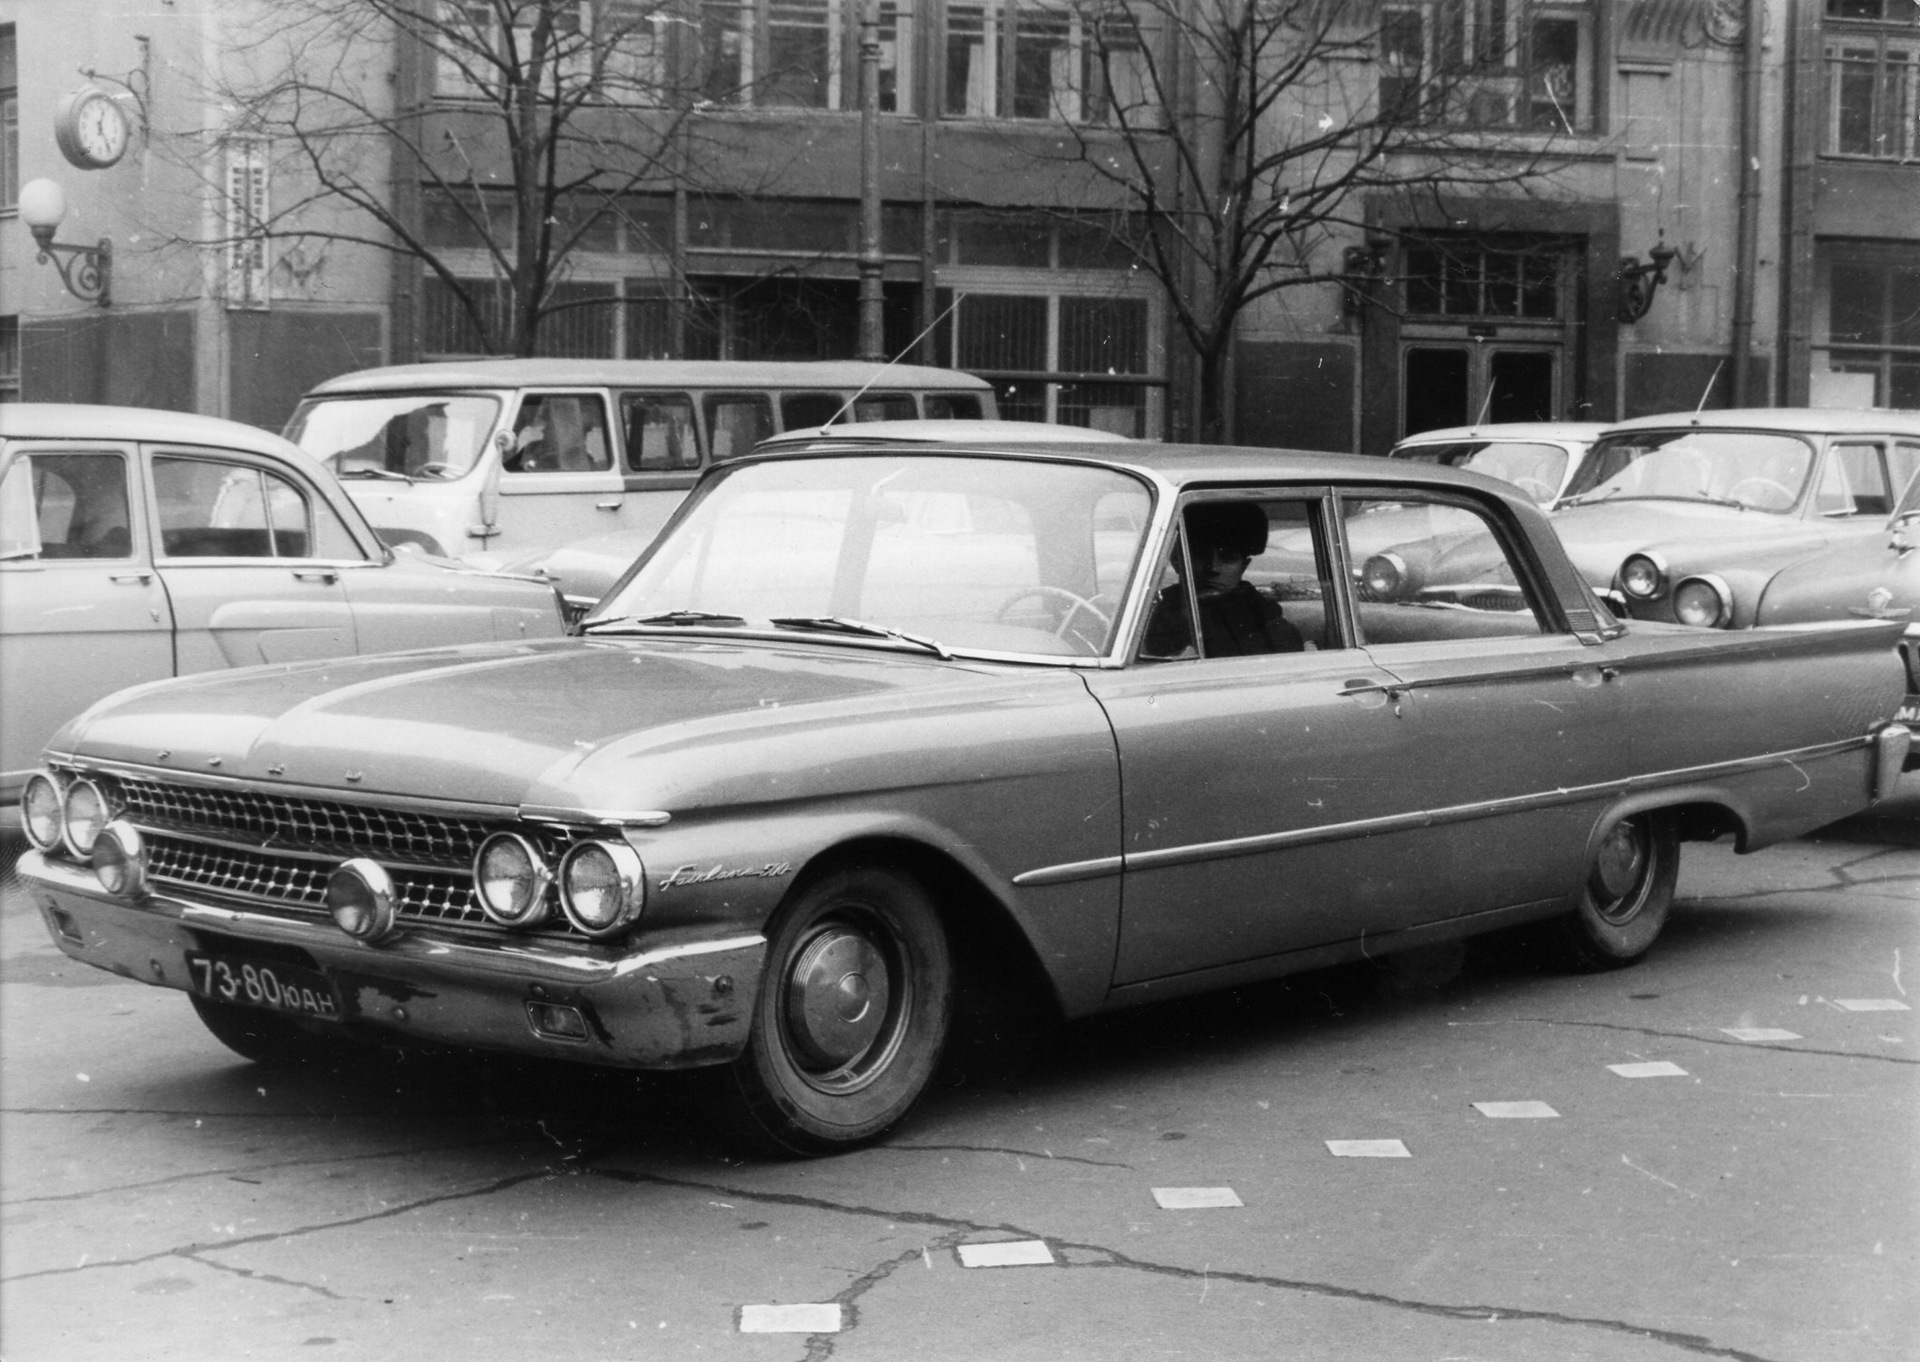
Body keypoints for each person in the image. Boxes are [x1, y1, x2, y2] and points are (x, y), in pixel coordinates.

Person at [1145, 501, 1304, 657]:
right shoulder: (1146, 613)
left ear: (1243, 567)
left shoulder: (1266, 623)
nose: (1213, 568)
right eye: (1199, 555)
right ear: (1176, 561)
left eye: (1228, 558)